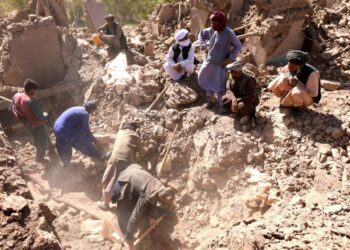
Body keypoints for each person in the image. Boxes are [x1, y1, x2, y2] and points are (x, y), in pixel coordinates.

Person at [111, 164, 174, 249]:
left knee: (143, 205)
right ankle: (126, 237)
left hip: (134, 171)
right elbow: (134, 218)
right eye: (164, 202)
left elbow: (153, 201)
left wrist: (150, 217)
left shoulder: (159, 187)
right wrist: (130, 243)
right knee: (124, 214)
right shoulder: (147, 197)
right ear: (161, 198)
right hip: (124, 181)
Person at [198, 11, 243, 110]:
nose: (212, 24)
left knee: (219, 85)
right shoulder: (212, 30)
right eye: (212, 22)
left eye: (215, 23)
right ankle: (210, 99)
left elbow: (238, 45)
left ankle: (222, 105)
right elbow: (201, 34)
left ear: (221, 22)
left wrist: (231, 58)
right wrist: (203, 46)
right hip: (209, 62)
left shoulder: (229, 33)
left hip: (220, 65)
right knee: (204, 79)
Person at [99, 121, 145, 210]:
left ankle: (106, 203)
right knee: (111, 182)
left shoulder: (120, 132)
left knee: (105, 180)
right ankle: (106, 202)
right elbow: (142, 153)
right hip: (122, 160)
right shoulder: (136, 136)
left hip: (115, 159)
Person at [53, 101, 106, 167]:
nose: (90, 113)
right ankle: (100, 156)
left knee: (64, 147)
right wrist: (95, 141)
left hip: (56, 128)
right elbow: (87, 131)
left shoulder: (77, 108)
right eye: (92, 111)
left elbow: (78, 127)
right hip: (65, 130)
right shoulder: (84, 114)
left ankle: (65, 165)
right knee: (83, 142)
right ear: (91, 109)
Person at [11, 79, 52, 162]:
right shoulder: (31, 101)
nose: (35, 92)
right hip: (35, 124)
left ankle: (50, 147)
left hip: (26, 122)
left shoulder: (16, 96)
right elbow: (41, 116)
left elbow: (11, 106)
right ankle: (39, 157)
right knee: (40, 139)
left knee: (43, 133)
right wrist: (45, 115)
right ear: (32, 90)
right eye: (35, 90)